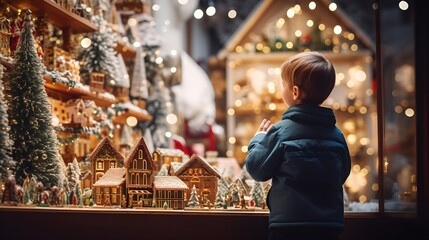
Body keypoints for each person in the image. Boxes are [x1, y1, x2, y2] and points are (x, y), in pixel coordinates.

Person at [245, 51, 351, 240]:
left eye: (283, 84)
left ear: (295, 91)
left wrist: (259, 138)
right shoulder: (337, 135)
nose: (281, 88)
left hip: (288, 225)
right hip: (329, 226)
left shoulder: (279, 132)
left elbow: (256, 170)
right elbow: (343, 173)